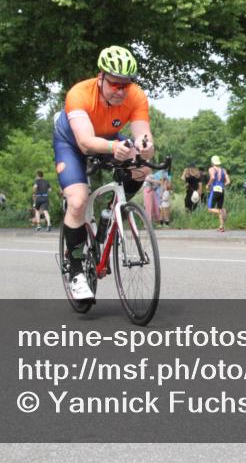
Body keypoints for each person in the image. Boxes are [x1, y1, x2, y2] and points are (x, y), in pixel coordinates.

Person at [53, 45, 156, 300]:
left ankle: (111, 213)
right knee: (77, 201)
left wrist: (145, 146)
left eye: (126, 84)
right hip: (73, 143)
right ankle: (76, 272)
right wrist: (114, 147)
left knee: (142, 168)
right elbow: (86, 142)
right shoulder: (79, 94)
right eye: (115, 84)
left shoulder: (136, 96)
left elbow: (144, 138)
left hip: (110, 139)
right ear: (100, 77)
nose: (121, 91)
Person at [206, 156, 230, 232]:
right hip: (221, 190)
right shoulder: (223, 170)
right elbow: (228, 181)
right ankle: (221, 227)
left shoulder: (211, 169)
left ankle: (222, 212)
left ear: (212, 162)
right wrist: (222, 185)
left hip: (215, 189)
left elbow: (212, 177)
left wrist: (208, 185)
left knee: (210, 209)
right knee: (219, 208)